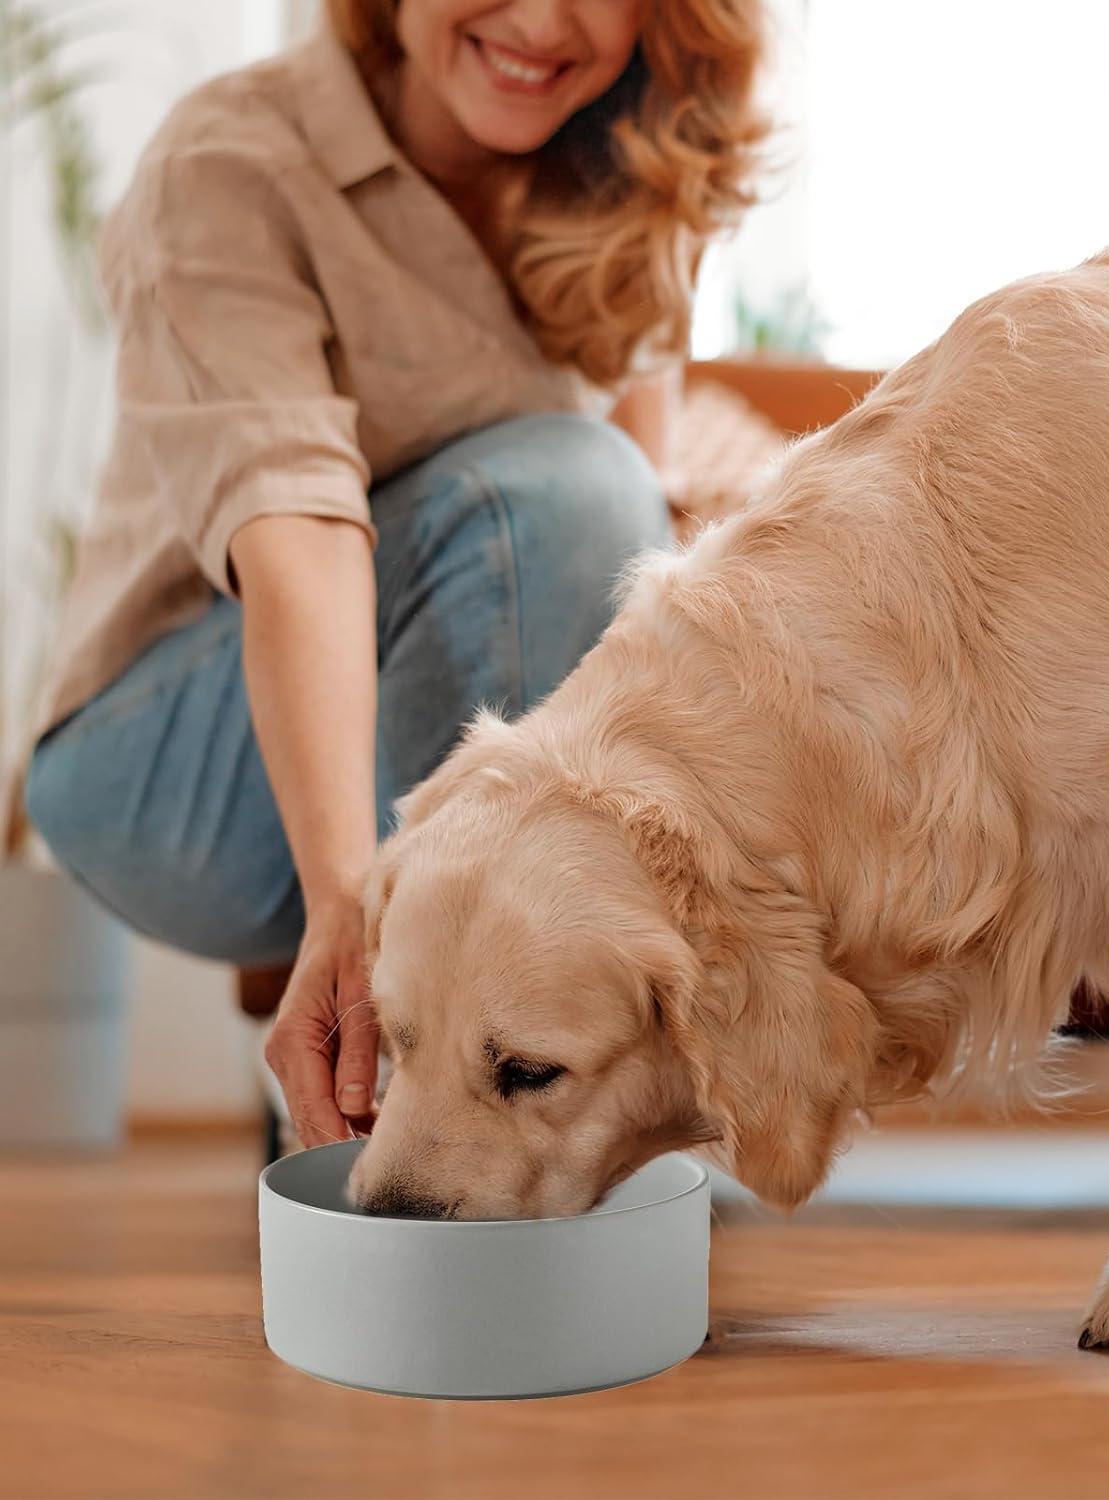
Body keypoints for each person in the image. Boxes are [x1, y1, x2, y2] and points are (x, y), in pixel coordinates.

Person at [23, 0, 766, 1151]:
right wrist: (352, 904)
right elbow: (297, 534)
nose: (542, 19)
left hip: (423, 738)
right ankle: (431, 1095)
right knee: (558, 491)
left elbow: (633, 551)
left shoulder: (635, 173)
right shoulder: (231, 161)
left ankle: (538, 1127)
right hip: (171, 773)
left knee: (606, 506)